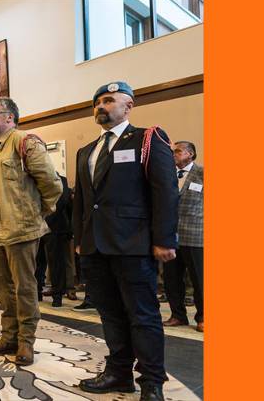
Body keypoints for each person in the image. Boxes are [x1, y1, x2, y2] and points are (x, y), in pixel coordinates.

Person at [73, 82, 178, 401]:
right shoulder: (86, 150)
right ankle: (119, 373)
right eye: (96, 103)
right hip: (95, 246)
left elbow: (165, 191)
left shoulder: (146, 139)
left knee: (143, 316)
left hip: (133, 244)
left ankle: (152, 382)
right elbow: (82, 202)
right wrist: (79, 239)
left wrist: (164, 238)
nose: (100, 107)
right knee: (111, 314)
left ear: (128, 106)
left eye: (108, 100)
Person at [0, 97, 62, 366]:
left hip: (19, 227)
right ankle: (9, 336)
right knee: (2, 286)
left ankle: (26, 342)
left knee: (24, 287)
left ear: (10, 117)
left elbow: (52, 184)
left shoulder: (25, 142)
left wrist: (34, 213)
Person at [163, 141, 204, 333]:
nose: (174, 154)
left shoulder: (202, 173)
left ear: (190, 154)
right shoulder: (166, 174)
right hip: (170, 235)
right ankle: (178, 315)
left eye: (178, 151)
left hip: (195, 234)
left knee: (199, 279)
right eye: (173, 152)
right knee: (171, 278)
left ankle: (203, 317)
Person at [36, 172, 72, 307]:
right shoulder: (32, 179)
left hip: (55, 227)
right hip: (37, 226)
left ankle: (57, 295)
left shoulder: (62, 180)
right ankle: (37, 292)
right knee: (37, 261)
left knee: (56, 263)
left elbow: (63, 202)